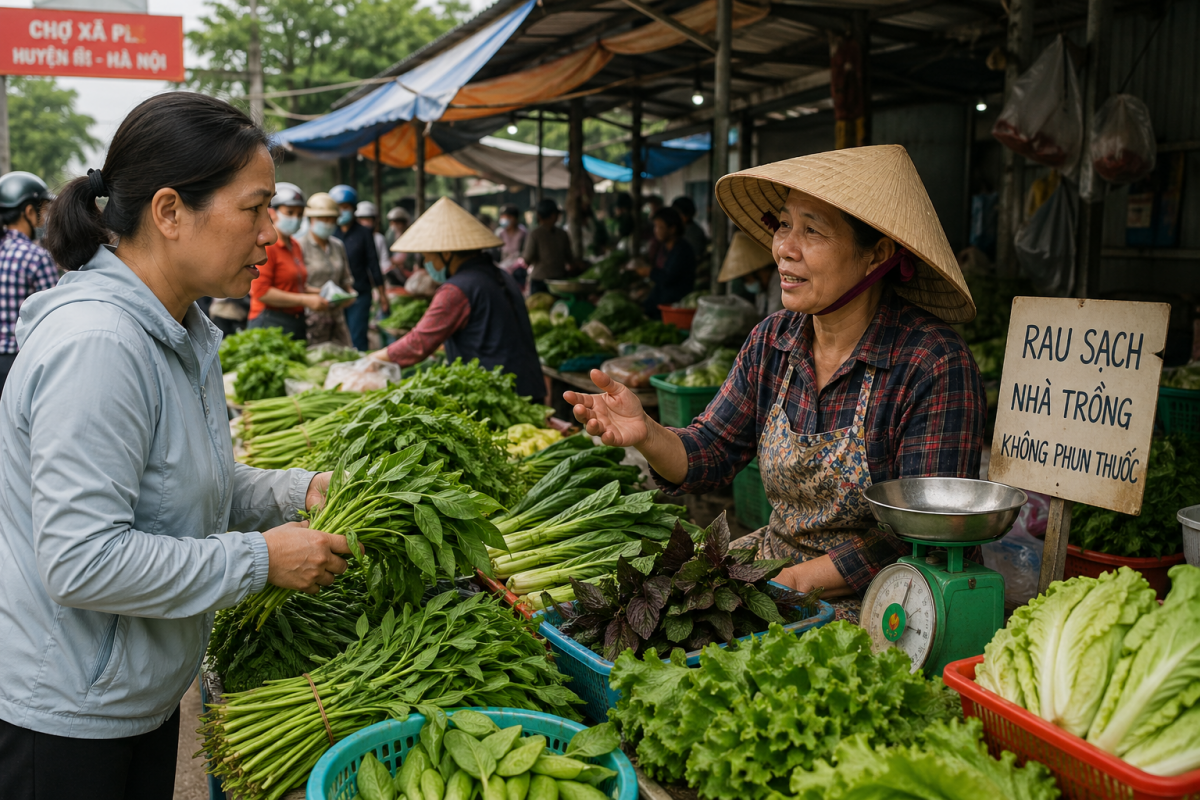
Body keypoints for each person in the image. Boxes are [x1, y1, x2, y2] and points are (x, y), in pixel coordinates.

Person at [0, 92, 351, 800]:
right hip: (65, 719)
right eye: (255, 208)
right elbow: (82, 561)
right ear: (168, 212)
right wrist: (260, 559)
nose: (273, 234)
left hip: (131, 697)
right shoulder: (100, 345)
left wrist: (295, 491)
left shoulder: (180, 329)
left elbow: (180, 485)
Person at [564, 145, 985, 623]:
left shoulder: (931, 363)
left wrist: (799, 580)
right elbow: (713, 450)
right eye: (783, 224)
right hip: (778, 566)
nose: (785, 247)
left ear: (878, 255)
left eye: (813, 230)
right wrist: (648, 434)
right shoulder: (774, 340)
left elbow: (923, 537)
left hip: (894, 596)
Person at [370, 198, 543, 401]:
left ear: (446, 254)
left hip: (498, 394)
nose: (426, 264)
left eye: (428, 257)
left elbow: (418, 343)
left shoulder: (456, 290)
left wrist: (372, 359)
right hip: (528, 383)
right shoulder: (500, 274)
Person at [0, 172, 58, 395]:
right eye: (42, 210)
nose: (44, 218)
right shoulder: (36, 257)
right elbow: (52, 318)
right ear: (28, 211)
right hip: (18, 363)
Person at [247, 183, 328, 340]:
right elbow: (261, 291)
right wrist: (306, 300)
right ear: (272, 212)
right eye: (289, 212)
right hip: (269, 320)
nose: (295, 218)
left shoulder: (295, 245)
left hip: (295, 320)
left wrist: (321, 293)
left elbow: (294, 285)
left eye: (299, 214)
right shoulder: (268, 246)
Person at [329, 184, 388, 350]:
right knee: (339, 340)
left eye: (345, 207)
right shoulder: (331, 233)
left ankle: (360, 371)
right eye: (338, 208)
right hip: (335, 295)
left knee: (357, 337)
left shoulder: (364, 233)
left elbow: (373, 264)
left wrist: (382, 295)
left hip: (359, 293)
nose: (341, 211)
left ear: (353, 209)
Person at [298, 192, 354, 347]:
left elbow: (345, 280)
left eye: (332, 219)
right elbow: (297, 284)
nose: (328, 223)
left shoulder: (338, 246)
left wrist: (348, 293)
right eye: (323, 219)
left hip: (338, 317)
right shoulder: (300, 246)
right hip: (312, 318)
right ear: (311, 219)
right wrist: (321, 294)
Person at [640, 206, 696, 319]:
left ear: (672, 229)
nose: (656, 231)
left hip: (675, 305)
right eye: (655, 226)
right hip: (662, 299)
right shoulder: (665, 248)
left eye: (660, 227)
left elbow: (668, 278)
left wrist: (649, 272)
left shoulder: (682, 250)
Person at [719, 230, 783, 317]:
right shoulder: (763, 288)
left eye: (747, 279)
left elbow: (774, 316)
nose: (748, 283)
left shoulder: (779, 281)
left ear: (760, 272)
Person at [522, 198, 574, 296]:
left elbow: (527, 258)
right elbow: (570, 258)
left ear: (539, 216)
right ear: (555, 215)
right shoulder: (563, 234)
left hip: (540, 280)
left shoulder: (535, 234)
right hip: (559, 280)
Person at [355, 200, 392, 285]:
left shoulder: (379, 239)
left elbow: (385, 261)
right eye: (362, 220)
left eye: (368, 220)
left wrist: (376, 277)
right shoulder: (352, 239)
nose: (365, 223)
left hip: (376, 279)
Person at [672, 195, 708, 262]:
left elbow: (694, 257)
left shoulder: (694, 232)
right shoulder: (680, 228)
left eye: (678, 213)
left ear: (686, 215)